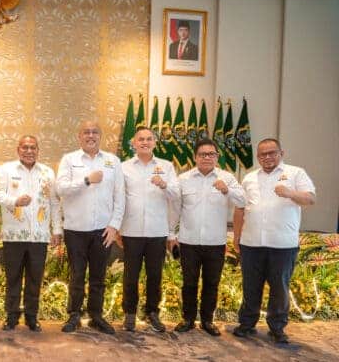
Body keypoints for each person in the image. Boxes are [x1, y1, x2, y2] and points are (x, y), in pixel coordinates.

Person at [232, 138, 316, 343]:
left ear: (281, 153)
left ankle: (277, 328)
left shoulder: (296, 173)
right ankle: (247, 324)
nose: (267, 157)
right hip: (251, 243)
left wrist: (290, 193)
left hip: (283, 244)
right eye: (263, 154)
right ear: (258, 157)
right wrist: (237, 236)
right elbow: (240, 208)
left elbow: (310, 198)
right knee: (251, 286)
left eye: (272, 153)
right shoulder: (249, 178)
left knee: (279, 288)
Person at [168, 138, 245, 336]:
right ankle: (188, 319)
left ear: (217, 157)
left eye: (211, 154)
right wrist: (171, 234)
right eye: (203, 154)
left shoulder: (227, 178)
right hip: (188, 241)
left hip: (215, 242)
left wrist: (227, 190)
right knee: (189, 283)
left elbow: (243, 201)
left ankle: (207, 320)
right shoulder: (183, 179)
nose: (207, 158)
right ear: (195, 157)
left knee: (212, 283)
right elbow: (175, 208)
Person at [56, 120, 124, 334]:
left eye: (95, 132)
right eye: (86, 132)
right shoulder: (69, 160)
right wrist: (86, 180)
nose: (91, 135)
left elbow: (120, 196)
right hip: (75, 229)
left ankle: (96, 316)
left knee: (98, 276)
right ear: (79, 136)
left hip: (103, 230)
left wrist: (114, 226)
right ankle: (74, 315)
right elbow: (61, 189)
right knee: (76, 275)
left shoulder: (113, 161)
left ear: (100, 136)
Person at [0, 135, 62, 332]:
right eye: (25, 147)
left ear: (38, 150)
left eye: (33, 147)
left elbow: (54, 202)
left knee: (35, 278)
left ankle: (32, 317)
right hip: (14, 236)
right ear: (18, 150)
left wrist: (57, 230)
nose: (29, 151)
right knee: (13, 277)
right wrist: (14, 201)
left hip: (39, 237)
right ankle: (11, 316)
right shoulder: (6, 170)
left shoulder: (48, 172)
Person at [120, 127, 179, 332]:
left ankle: (152, 312)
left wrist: (164, 185)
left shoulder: (166, 166)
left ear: (154, 142)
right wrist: (117, 227)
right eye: (141, 139)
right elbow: (118, 198)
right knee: (131, 275)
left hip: (157, 231)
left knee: (155, 275)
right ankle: (129, 313)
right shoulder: (124, 167)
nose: (145, 142)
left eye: (149, 139)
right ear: (134, 143)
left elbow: (176, 195)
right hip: (131, 230)